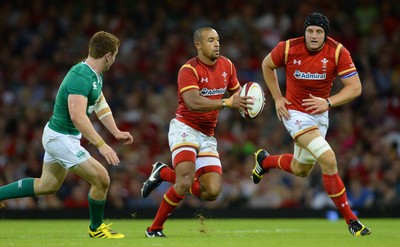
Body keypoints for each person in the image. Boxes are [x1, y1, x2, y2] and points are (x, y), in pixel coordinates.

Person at [0, 31, 133, 238]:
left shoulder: (95, 75)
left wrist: (115, 131)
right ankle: (96, 228)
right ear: (108, 55)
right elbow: (77, 117)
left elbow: (100, 104)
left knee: (46, 186)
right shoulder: (80, 77)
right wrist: (101, 144)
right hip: (60, 138)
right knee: (102, 178)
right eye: (114, 55)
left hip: (63, 136)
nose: (114, 60)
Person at [252, 13, 371, 236]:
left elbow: (355, 87)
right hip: (295, 113)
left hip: (319, 114)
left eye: (319, 32)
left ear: (325, 34)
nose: (314, 36)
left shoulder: (337, 52)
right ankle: (352, 222)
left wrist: (328, 102)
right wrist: (278, 97)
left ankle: (264, 161)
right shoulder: (288, 47)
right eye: (310, 31)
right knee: (328, 158)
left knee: (301, 169)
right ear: (304, 31)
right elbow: (267, 65)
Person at [140, 27, 253, 237]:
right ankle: (154, 228)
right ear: (198, 45)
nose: (217, 44)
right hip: (185, 128)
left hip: (207, 134)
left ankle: (162, 173)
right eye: (211, 40)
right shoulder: (188, 70)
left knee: (211, 192)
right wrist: (228, 102)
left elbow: (237, 93)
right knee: (184, 181)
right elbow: (192, 102)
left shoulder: (227, 65)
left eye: (218, 39)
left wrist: (248, 103)